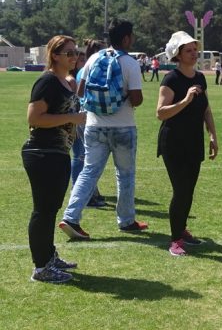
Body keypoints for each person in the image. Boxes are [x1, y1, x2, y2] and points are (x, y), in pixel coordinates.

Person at [59, 19, 147, 239]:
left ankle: (71, 217)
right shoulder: (130, 63)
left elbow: (80, 92)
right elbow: (136, 99)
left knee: (89, 172)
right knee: (125, 175)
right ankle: (126, 220)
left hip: (94, 126)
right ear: (126, 39)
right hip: (123, 126)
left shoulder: (94, 58)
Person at [22, 35, 86, 283]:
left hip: (57, 153)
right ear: (55, 56)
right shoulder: (47, 81)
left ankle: (49, 257)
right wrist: (71, 118)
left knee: (50, 210)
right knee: (43, 211)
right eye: (69, 53)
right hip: (42, 153)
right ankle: (41, 268)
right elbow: (34, 119)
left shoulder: (65, 82)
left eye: (76, 52)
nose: (74, 57)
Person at [157, 31, 219, 256]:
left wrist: (212, 135)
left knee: (189, 190)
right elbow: (160, 113)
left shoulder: (200, 77)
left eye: (195, 50)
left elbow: (206, 109)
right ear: (178, 54)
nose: (194, 54)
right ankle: (175, 240)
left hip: (194, 141)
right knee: (181, 190)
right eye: (189, 50)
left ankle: (181, 229)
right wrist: (185, 100)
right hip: (173, 142)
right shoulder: (171, 79)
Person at [70, 39, 107, 208]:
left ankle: (90, 192)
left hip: (84, 118)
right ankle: (84, 194)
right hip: (86, 118)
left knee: (85, 157)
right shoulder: (90, 70)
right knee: (84, 158)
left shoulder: (84, 70)